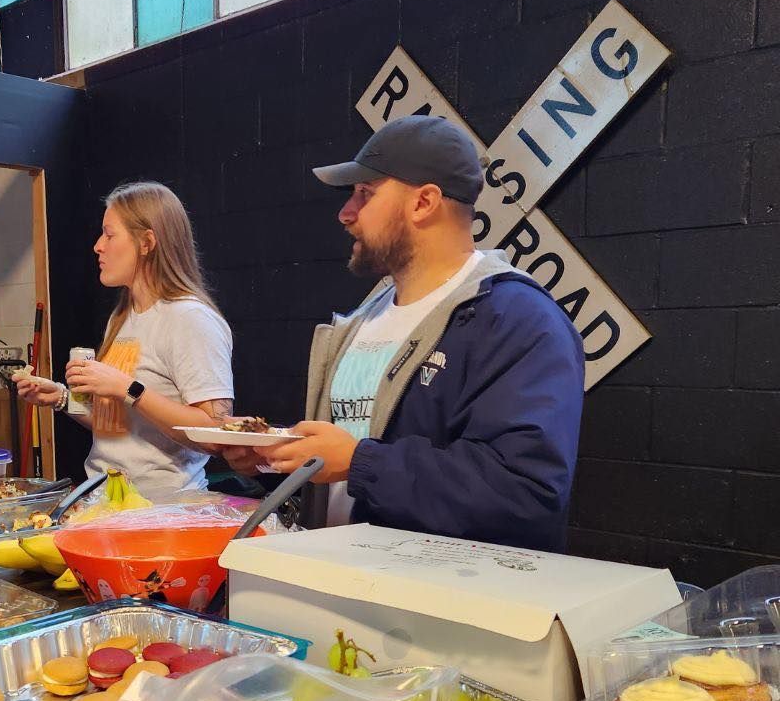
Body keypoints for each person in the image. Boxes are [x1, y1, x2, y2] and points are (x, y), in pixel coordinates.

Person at [219, 115, 585, 552]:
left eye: (365, 194)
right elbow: (339, 482)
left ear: (423, 203)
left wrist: (359, 462)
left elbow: (525, 490)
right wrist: (274, 462)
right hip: (338, 587)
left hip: (439, 606)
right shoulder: (359, 322)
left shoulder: (519, 320)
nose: (346, 213)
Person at [16, 181, 233, 500]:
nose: (98, 246)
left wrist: (127, 388)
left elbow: (215, 435)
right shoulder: (122, 317)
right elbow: (122, 429)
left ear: (146, 242)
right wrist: (62, 399)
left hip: (164, 511)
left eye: (109, 233)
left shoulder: (189, 319)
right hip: (106, 502)